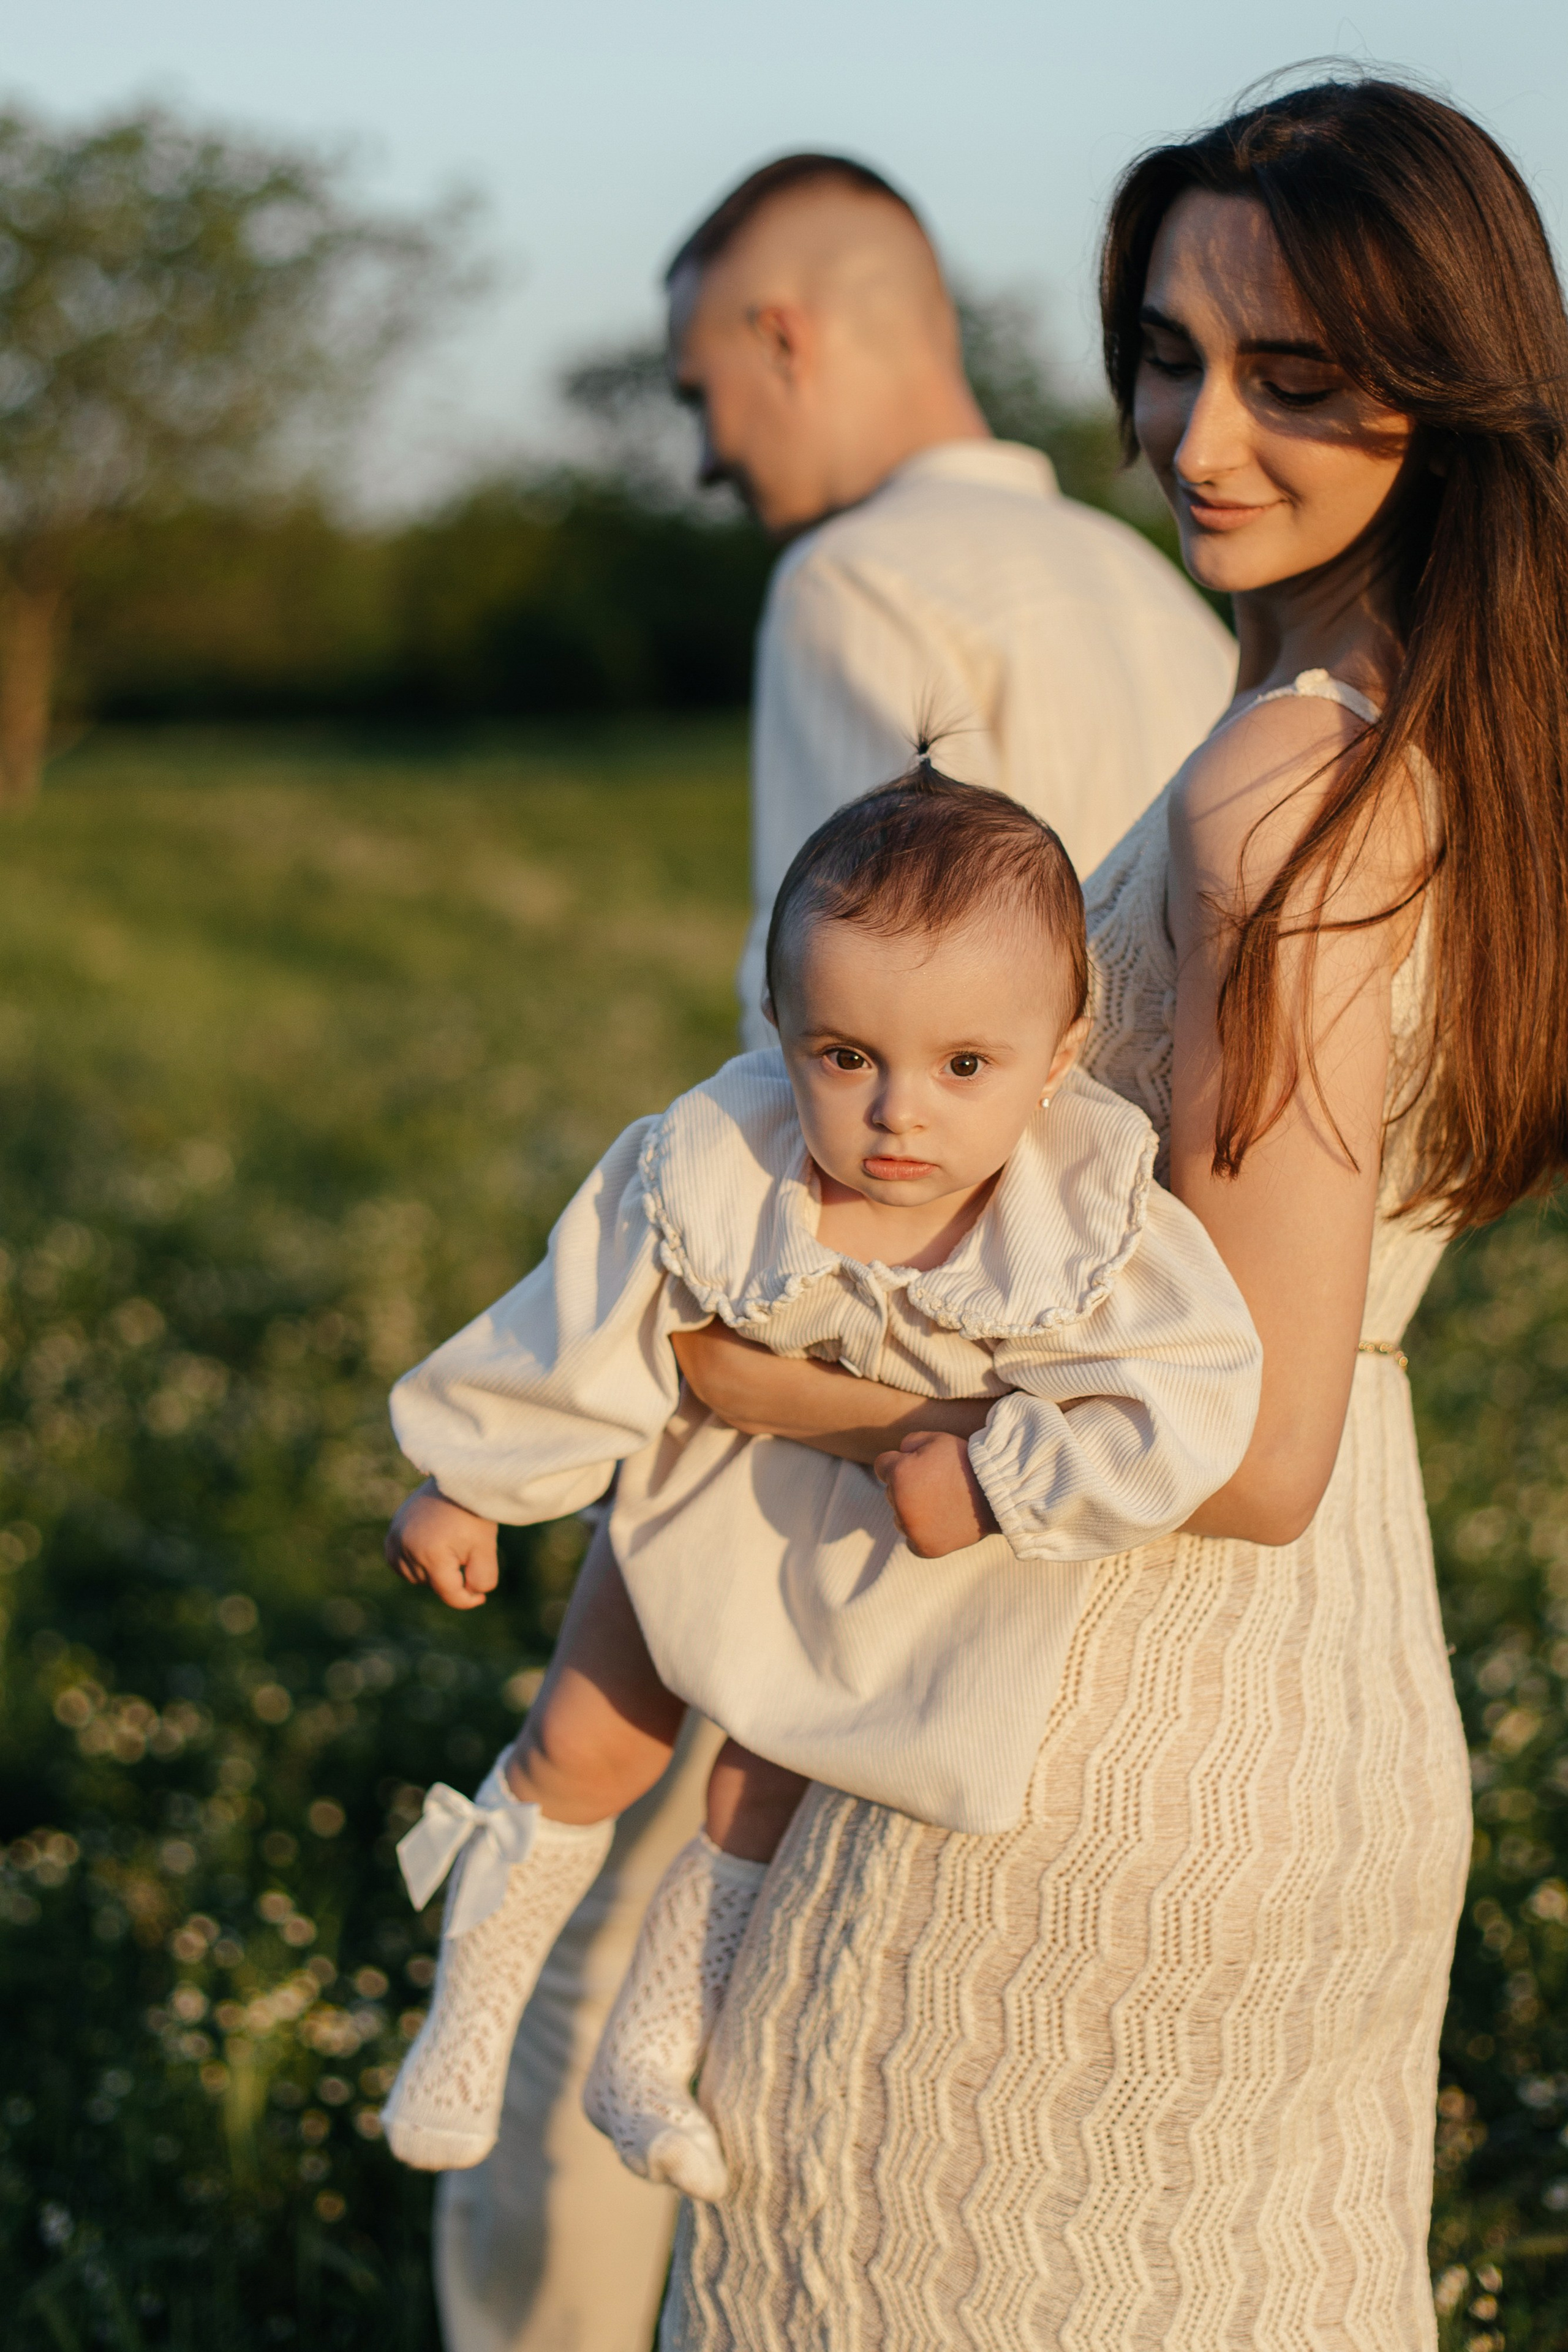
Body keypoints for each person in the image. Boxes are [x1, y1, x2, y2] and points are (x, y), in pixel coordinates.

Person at [658, 76, 1568, 2350]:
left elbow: (1240, 1440)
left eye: (1298, 380)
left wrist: (794, 1403)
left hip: (1094, 1718)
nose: (1200, 435)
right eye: (1170, 354)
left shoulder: (1296, 782)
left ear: (1443, 401)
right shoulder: (1433, 741)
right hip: (1340, 1688)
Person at [431, 154, 1236, 2352]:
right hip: (1102, 1398)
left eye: (706, 388)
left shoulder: (859, 584)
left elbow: (811, 1082)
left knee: (606, 1955)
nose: (704, 453)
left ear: (790, 335)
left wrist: (691, 1390)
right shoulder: (1152, 587)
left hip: (855, 1403)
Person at [381, 774, 1262, 2201]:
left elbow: (1193, 1389)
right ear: (784, 1034)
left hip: (872, 1560)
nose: (898, 1114)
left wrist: (997, 1478)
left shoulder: (1085, 1217)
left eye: (963, 1066)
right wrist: (469, 1477)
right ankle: (463, 2023)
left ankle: (649, 2052)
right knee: (589, 1746)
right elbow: (584, 1312)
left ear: (1058, 1055)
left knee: (766, 1790)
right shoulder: (716, 1162)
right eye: (845, 1057)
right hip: (698, 1495)